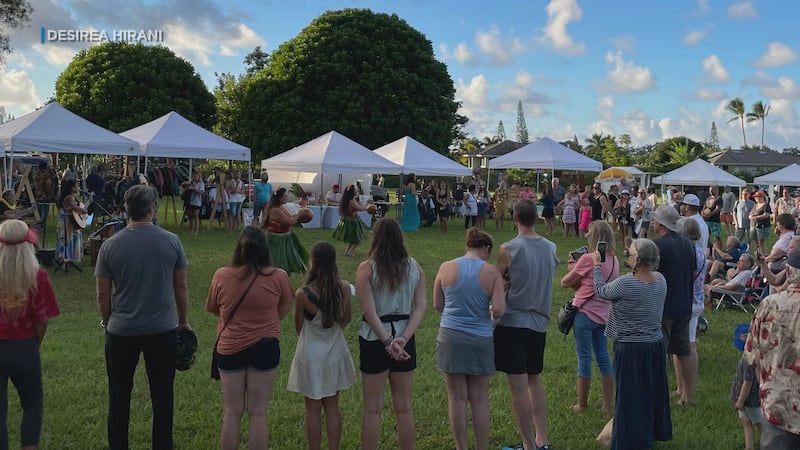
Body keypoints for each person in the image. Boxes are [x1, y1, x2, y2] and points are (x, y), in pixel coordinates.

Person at [95, 184, 191, 450]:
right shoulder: (171, 241)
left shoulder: (110, 246)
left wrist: (108, 320)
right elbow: (180, 287)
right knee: (162, 394)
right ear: (152, 208)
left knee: (118, 391)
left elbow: (102, 294)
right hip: (161, 329)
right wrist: (183, 320)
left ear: (127, 210)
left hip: (121, 329)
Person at [205, 226, 294, 450]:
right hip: (265, 346)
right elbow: (282, 312)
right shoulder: (279, 276)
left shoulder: (221, 275)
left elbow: (215, 309)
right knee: (258, 412)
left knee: (231, 412)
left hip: (230, 347)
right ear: (265, 249)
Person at [593, 238, 672, 449]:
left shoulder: (626, 283)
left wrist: (597, 267)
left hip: (630, 347)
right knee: (650, 391)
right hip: (654, 344)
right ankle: (649, 432)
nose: (626, 255)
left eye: (629, 253)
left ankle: (628, 439)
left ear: (637, 259)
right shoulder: (661, 280)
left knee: (628, 395)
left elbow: (601, 291)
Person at [356, 218, 426, 450]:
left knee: (372, 409)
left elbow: (369, 311)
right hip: (405, 337)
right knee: (404, 408)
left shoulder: (367, 269)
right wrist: (403, 338)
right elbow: (421, 307)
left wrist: (387, 342)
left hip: (374, 338)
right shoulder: (415, 267)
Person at [433, 227, 505, 450]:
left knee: (456, 398)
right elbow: (499, 310)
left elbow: (437, 305)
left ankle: (460, 447)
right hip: (480, 337)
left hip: (450, 336)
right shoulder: (492, 273)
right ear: (486, 248)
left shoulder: (446, 267)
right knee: (480, 399)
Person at [494, 199, 557, 450]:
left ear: (515, 218)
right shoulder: (551, 247)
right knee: (534, 380)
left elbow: (496, 282)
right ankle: (542, 439)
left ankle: (528, 445)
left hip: (513, 322)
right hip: (539, 322)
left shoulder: (508, 248)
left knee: (518, 388)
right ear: (537, 217)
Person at [287, 241, 355, 450]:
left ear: (313, 263)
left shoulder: (303, 294)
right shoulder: (344, 288)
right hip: (335, 351)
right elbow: (346, 320)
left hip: (311, 355)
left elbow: (299, 327)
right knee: (333, 407)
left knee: (312, 410)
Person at [0, 220, 60, 450]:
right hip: (24, 346)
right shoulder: (38, 277)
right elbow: (41, 320)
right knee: (32, 404)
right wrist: (34, 344)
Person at [559, 220, 618, 415]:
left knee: (584, 357)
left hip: (584, 314)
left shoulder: (587, 259)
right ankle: (607, 405)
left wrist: (572, 268)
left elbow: (565, 283)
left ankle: (582, 404)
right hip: (604, 315)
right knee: (603, 357)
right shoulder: (614, 260)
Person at [743, 250, 800, 449]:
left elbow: (753, 356)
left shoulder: (769, 304)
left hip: (777, 403)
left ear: (788, 272)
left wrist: (766, 387)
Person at [651, 205, 697, 406]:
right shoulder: (688, 244)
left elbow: (650, 274)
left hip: (663, 307)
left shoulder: (657, 246)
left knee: (658, 354)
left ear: (661, 224)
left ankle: (658, 395)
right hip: (684, 304)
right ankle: (687, 396)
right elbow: (693, 272)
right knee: (683, 352)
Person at [677, 217, 707, 406]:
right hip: (697, 299)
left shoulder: (689, 253)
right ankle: (682, 389)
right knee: (687, 344)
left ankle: (686, 393)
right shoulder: (699, 251)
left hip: (688, 301)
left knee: (686, 347)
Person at [260, 187, 308, 275]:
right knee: (278, 260)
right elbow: (289, 222)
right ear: (280, 198)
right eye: (285, 196)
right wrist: (299, 215)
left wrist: (299, 213)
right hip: (277, 239)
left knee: (286, 259)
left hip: (284, 237)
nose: (287, 197)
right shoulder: (275, 210)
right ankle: (277, 274)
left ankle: (283, 274)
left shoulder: (281, 208)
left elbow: (289, 218)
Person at [731, 330, 762, 450]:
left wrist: (740, 400)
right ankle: (749, 446)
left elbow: (747, 383)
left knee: (759, 423)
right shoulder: (747, 357)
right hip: (744, 397)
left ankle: (770, 443)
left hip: (749, 399)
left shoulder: (750, 361)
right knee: (746, 421)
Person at [332, 184, 370, 257]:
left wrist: (365, 204)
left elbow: (359, 206)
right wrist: (368, 207)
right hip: (352, 221)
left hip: (350, 219)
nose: (356, 191)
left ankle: (347, 251)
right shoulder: (351, 202)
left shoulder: (348, 200)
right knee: (358, 237)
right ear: (352, 192)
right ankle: (350, 252)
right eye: (355, 190)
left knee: (353, 238)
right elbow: (360, 208)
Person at [55, 179, 87, 265]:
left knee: (70, 240)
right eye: (77, 186)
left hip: (71, 222)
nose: (78, 188)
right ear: (72, 188)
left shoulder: (71, 197)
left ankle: (69, 259)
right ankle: (66, 259)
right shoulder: (69, 198)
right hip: (67, 223)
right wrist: (84, 210)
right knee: (68, 240)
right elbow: (75, 208)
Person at [185, 171, 205, 236]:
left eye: (197, 176)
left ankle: (196, 231)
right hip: (189, 201)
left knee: (196, 217)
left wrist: (194, 189)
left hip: (197, 202)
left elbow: (202, 192)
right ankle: (191, 229)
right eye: (194, 176)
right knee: (190, 216)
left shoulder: (201, 184)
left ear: (199, 177)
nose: (195, 177)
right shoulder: (190, 182)